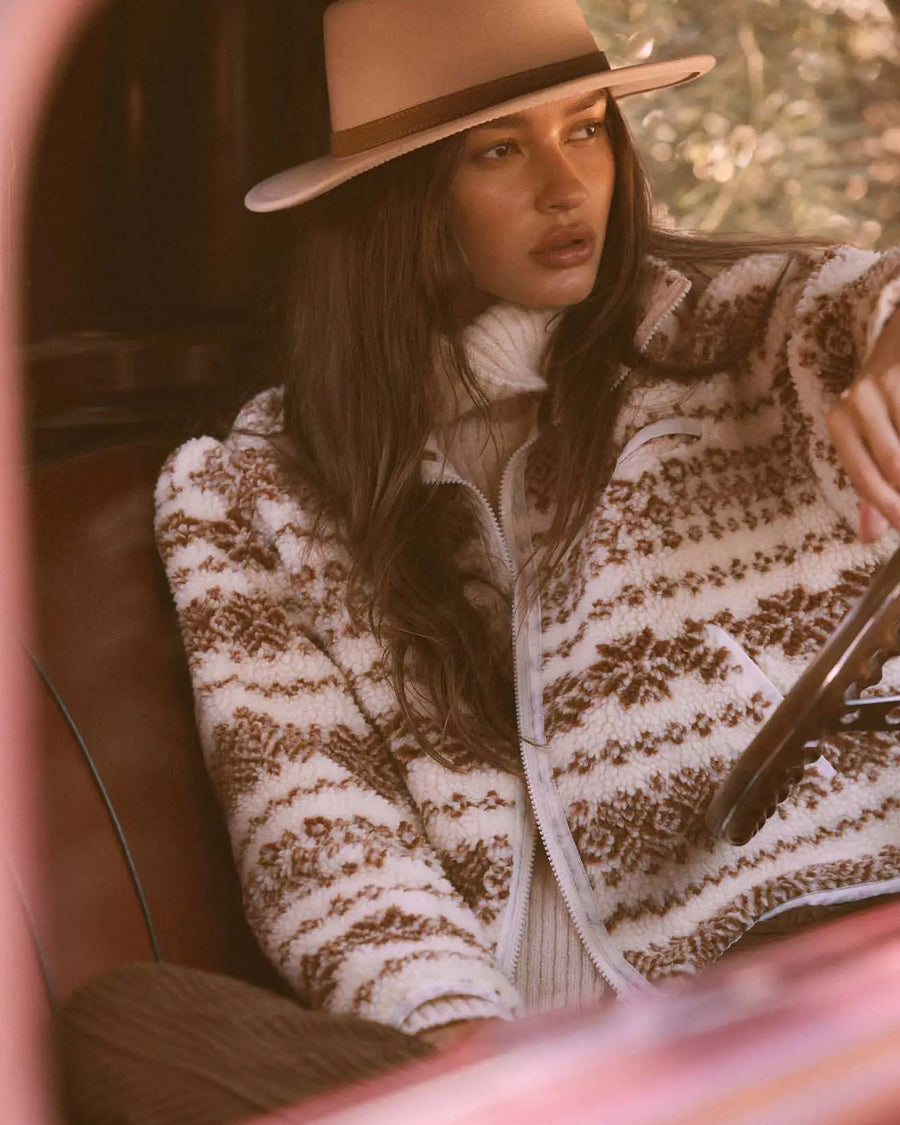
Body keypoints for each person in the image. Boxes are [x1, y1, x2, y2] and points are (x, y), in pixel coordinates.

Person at [60, 0, 900, 1120]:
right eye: (500, 150)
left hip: (793, 993)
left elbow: (866, 298)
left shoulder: (740, 336)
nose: (569, 185)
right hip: (529, 1075)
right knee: (132, 1027)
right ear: (394, 201)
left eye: (588, 127)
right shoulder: (250, 492)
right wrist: (479, 1061)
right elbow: (322, 839)